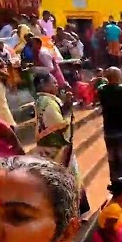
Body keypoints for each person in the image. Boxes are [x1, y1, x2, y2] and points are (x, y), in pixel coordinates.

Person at [31, 71, 90, 215]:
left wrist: (68, 104)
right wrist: (69, 110)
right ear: (42, 85)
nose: (56, 84)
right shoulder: (47, 101)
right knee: (69, 178)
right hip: (56, 147)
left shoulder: (45, 100)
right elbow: (59, 124)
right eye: (53, 82)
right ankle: (77, 212)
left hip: (50, 146)